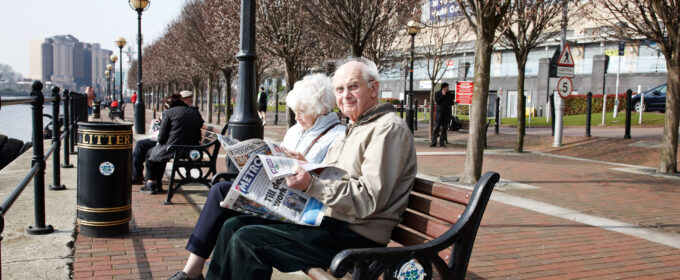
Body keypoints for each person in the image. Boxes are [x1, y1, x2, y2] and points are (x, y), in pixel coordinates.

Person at [205, 58, 417, 279]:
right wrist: (302, 163)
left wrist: (311, 184)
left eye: (353, 86)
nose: (345, 95)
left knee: (248, 241)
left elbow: (369, 200)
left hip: (356, 236)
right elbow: (336, 174)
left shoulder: (388, 129)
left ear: (373, 88)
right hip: (330, 223)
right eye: (340, 89)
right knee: (233, 226)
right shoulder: (356, 126)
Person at [168, 74, 346, 280]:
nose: (297, 117)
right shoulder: (297, 131)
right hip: (279, 198)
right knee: (225, 205)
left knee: (229, 209)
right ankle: (193, 272)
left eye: (302, 112)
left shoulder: (337, 135)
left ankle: (191, 273)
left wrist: (303, 163)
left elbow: (332, 178)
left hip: (304, 209)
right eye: (294, 111)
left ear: (322, 109)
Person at [141, 91, 204, 194]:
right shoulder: (194, 112)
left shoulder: (168, 113)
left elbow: (161, 138)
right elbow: (199, 126)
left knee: (151, 154)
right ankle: (157, 184)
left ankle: (151, 184)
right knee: (158, 154)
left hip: (176, 148)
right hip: (193, 149)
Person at [431, 82, 453, 147]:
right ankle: (434, 142)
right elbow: (437, 101)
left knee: (444, 129)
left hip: (446, 114)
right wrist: (443, 96)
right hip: (439, 114)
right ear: (444, 88)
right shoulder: (437, 93)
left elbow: (451, 102)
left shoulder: (449, 94)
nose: (448, 89)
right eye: (447, 87)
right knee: (436, 128)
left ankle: (442, 142)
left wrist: (445, 101)